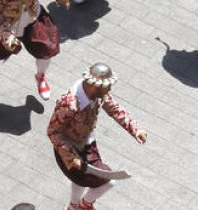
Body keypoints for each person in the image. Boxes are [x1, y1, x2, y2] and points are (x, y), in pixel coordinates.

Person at [47, 63, 147, 210]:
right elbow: (53, 132)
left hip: (88, 144)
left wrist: (135, 129)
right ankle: (84, 205)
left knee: (81, 180)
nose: (109, 90)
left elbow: (114, 108)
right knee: (109, 181)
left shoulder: (98, 94)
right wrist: (70, 156)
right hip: (69, 150)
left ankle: (73, 207)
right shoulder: (68, 104)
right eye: (107, 86)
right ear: (94, 86)